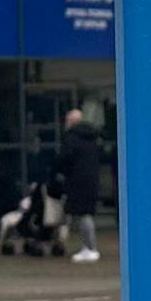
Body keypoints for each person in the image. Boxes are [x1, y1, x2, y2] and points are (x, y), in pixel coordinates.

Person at [54, 106, 106, 264]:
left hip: (77, 181)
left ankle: (90, 248)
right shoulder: (92, 138)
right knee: (85, 214)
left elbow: (64, 160)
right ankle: (88, 247)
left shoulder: (72, 139)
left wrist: (60, 172)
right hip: (91, 180)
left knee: (83, 215)